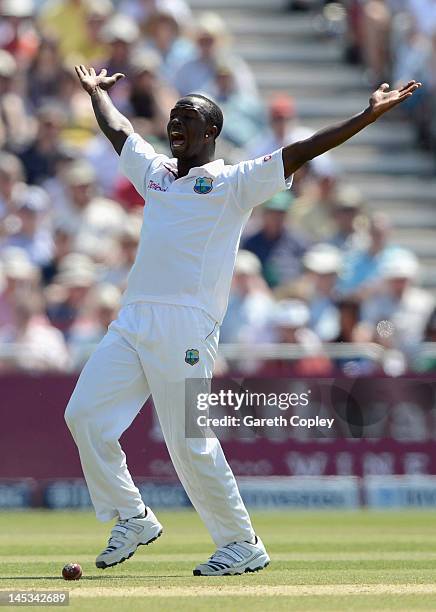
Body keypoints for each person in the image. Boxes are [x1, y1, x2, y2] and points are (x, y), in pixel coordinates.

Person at [65, 63, 420, 576]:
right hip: (133, 319)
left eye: (187, 117)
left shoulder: (234, 183)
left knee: (189, 440)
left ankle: (241, 542)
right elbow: (119, 130)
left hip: (187, 325)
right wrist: (97, 94)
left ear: (211, 131)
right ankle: (132, 515)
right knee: (84, 417)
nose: (175, 125)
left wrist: (364, 117)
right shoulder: (156, 174)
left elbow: (302, 150)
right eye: (172, 117)